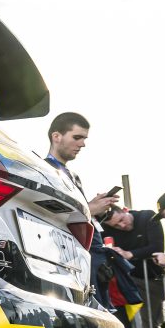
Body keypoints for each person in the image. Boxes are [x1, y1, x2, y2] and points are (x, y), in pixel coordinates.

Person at [43, 112, 118, 306]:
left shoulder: (73, 175)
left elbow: (79, 213)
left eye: (84, 138)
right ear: (56, 136)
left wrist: (95, 207)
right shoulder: (44, 170)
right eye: (77, 137)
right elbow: (50, 213)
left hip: (91, 257)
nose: (82, 144)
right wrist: (90, 208)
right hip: (69, 260)